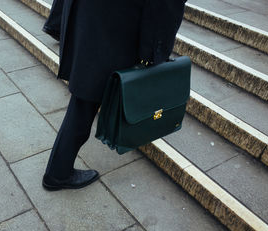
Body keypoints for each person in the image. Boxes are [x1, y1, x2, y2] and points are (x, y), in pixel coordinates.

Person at [42, 0, 187, 191]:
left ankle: (58, 171)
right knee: (83, 104)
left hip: (93, 19)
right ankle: (58, 174)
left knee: (84, 100)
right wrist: (152, 53)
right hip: (112, 28)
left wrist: (58, 21)